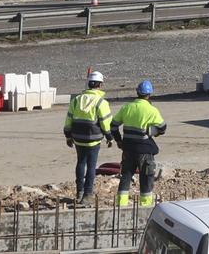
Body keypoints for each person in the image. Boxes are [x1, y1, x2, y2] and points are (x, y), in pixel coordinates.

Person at [111, 80, 168, 209]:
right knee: (146, 177)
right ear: (149, 94)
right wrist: (154, 132)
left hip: (128, 149)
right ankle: (146, 206)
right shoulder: (152, 110)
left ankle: (121, 205)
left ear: (137, 92)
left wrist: (119, 140)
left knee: (126, 175)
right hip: (145, 150)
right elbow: (163, 128)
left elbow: (113, 126)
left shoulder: (127, 107)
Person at [63, 70, 114, 202]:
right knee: (91, 166)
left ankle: (79, 192)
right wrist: (109, 137)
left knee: (81, 162)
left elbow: (69, 120)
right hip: (94, 139)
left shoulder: (76, 100)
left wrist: (68, 136)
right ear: (100, 85)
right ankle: (87, 194)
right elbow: (105, 122)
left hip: (78, 137)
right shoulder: (101, 102)